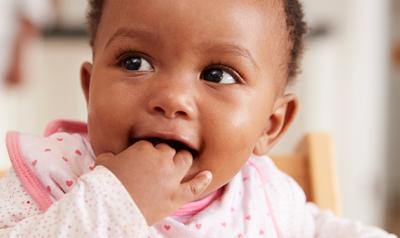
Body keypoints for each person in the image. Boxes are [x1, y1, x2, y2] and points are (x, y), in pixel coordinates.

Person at [0, 0, 396, 237]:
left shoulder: (262, 197)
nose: (171, 99)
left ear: (270, 126)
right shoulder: (51, 175)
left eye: (218, 74)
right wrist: (117, 200)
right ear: (90, 89)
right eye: (135, 62)